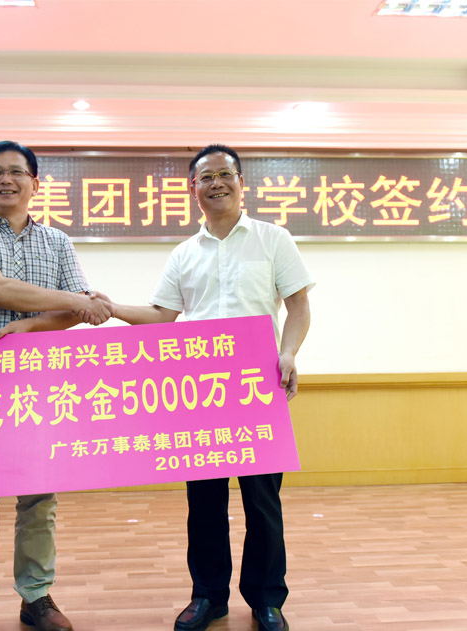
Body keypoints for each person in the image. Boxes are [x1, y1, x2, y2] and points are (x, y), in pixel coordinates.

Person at [112, 144, 313, 631]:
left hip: (256, 390)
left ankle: (267, 599)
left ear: (241, 183)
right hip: (200, 394)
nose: (216, 183)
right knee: (204, 503)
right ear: (193, 188)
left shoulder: (273, 239)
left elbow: (298, 306)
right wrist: (111, 308)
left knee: (262, 502)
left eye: (225, 175)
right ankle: (208, 596)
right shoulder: (184, 253)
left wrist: (288, 352)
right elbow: (162, 315)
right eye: (206, 177)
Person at [0, 140, 111, 631]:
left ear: (35, 183)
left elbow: (72, 315)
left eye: (17, 172)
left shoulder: (58, 241)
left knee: (40, 497)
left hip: (44, 379)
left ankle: (36, 596)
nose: (6, 180)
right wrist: (76, 300)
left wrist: (34, 324)